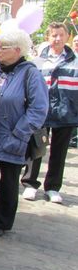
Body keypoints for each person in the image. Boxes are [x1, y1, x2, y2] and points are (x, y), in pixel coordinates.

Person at [0, 29, 48, 238]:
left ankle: (2, 223)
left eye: (3, 47)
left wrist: (18, 134)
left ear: (17, 50)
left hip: (14, 137)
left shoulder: (30, 73)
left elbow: (39, 109)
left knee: (8, 182)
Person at [21, 22, 78, 204]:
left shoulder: (75, 61)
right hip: (41, 113)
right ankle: (30, 183)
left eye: (61, 35)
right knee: (35, 149)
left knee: (59, 153)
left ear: (67, 36)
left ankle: (53, 187)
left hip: (65, 114)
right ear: (48, 37)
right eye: (54, 35)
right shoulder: (38, 62)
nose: (57, 39)